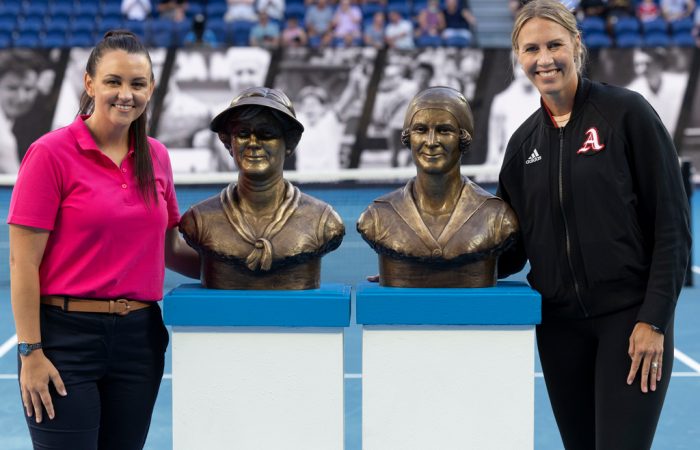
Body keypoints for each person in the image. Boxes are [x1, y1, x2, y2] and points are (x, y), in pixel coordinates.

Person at [498, 2, 691, 449]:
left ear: (576, 45)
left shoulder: (626, 114)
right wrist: (439, 269)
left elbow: (672, 226)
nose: (544, 59)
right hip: (560, 330)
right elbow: (510, 248)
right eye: (531, 49)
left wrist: (654, 320)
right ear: (519, 58)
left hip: (629, 322)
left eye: (554, 45)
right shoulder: (522, 144)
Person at [8, 30, 200, 449]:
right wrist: (31, 352)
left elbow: (169, 247)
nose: (125, 94)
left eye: (137, 83)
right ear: (90, 83)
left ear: (151, 87)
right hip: (64, 341)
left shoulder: (157, 156)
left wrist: (243, 268)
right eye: (113, 81)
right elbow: (23, 264)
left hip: (139, 340)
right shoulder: (50, 154)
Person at [179, 87, 345, 290]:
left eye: (266, 134)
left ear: (289, 143)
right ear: (228, 143)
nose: (253, 143)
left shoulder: (324, 221)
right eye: (242, 133)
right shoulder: (198, 220)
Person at [357, 86, 519, 287]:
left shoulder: (497, 217)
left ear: (463, 137)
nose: (431, 141)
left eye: (444, 130)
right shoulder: (376, 216)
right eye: (421, 130)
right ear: (408, 137)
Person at [0, 50, 55, 173]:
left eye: (28, 89)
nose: (21, 97)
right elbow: (17, 186)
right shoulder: (4, 141)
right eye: (12, 88)